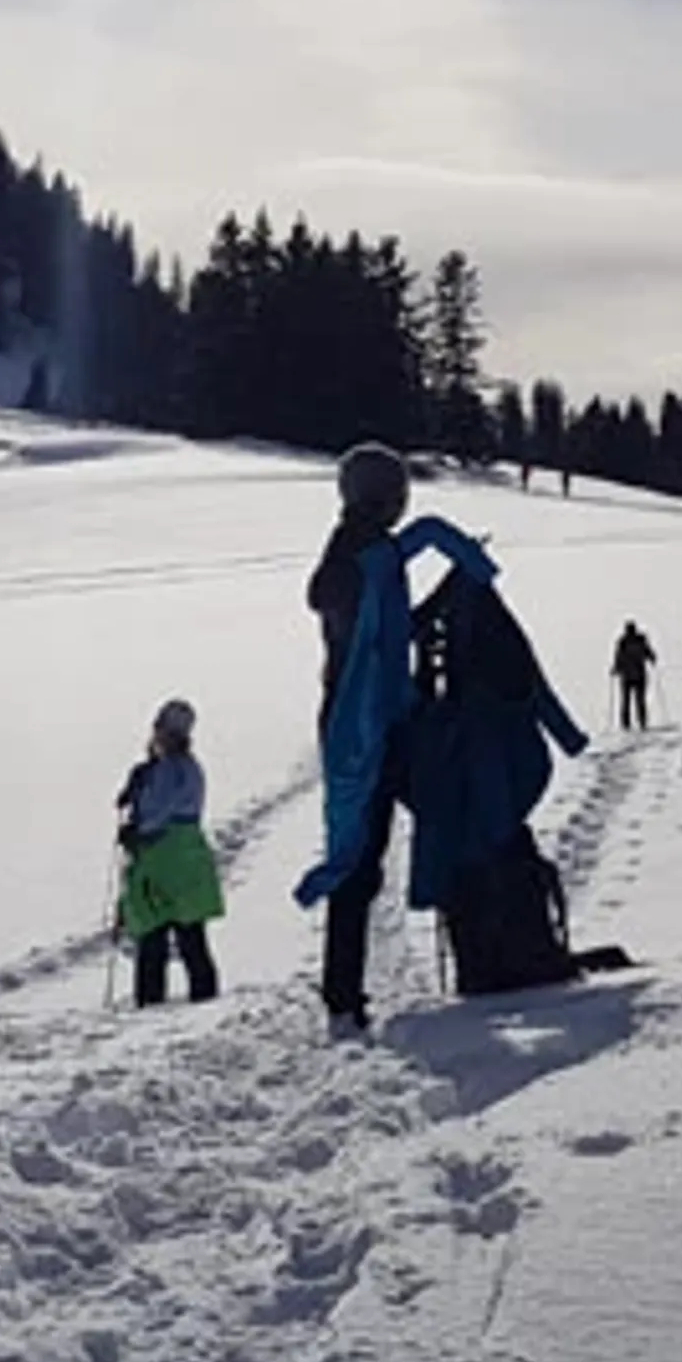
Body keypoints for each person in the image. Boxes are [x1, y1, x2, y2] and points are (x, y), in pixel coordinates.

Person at [297, 443, 494, 1038]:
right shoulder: (360, 551)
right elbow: (332, 595)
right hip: (365, 730)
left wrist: (446, 590)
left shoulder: (368, 549)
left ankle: (350, 993)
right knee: (365, 859)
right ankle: (343, 997)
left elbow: (389, 627)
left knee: (428, 827)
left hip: (381, 720)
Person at [115, 698, 224, 1005]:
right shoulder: (188, 768)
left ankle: (151, 1002)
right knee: (191, 934)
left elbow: (157, 811)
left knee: (153, 935)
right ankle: (205, 998)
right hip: (187, 858)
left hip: (162, 858)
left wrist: (135, 831)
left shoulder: (168, 770)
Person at [609, 620, 658, 730]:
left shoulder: (625, 642)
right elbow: (648, 652)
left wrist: (616, 668)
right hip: (636, 674)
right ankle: (638, 722)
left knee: (631, 700)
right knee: (636, 700)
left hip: (630, 675)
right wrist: (652, 659)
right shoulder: (635, 641)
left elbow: (619, 657)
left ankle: (631, 723)